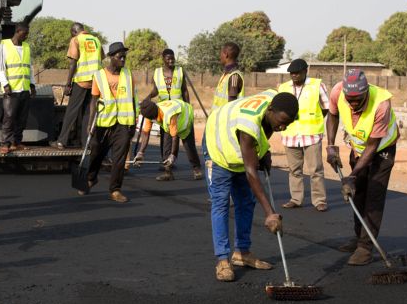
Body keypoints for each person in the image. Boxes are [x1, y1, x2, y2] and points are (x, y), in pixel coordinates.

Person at [205, 91, 296, 281]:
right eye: (282, 121)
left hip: (239, 149)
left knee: (246, 201)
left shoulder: (276, 100)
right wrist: (270, 213)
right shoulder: (247, 125)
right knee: (221, 203)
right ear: (271, 109)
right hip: (219, 148)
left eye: (288, 123)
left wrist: (264, 151)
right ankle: (222, 260)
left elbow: (264, 131)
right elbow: (251, 172)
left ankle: (242, 253)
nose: (283, 127)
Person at [325, 69, 400, 266]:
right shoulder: (337, 92)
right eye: (350, 99)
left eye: (358, 99)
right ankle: (359, 238)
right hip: (358, 149)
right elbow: (332, 116)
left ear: (366, 91)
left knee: (373, 197)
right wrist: (331, 147)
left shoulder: (381, 104)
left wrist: (353, 174)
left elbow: (373, 145)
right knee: (357, 194)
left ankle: (365, 248)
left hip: (381, 151)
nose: (353, 103)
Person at [79, 42, 138, 203]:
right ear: (111, 58)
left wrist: (134, 122)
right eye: (120, 57)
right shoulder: (99, 75)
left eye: (125, 56)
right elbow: (94, 101)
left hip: (124, 123)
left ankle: (115, 190)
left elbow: (134, 99)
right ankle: (91, 178)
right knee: (97, 153)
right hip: (104, 122)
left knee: (119, 159)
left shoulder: (128, 74)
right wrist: (90, 124)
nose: (123, 59)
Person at [275, 58, 330, 212]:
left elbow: (326, 107)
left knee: (315, 170)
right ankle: (296, 199)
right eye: (291, 73)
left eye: (297, 73)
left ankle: (319, 200)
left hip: (311, 135)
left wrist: (314, 118)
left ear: (305, 71)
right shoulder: (283, 87)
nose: (294, 76)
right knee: (294, 170)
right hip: (290, 135)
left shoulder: (317, 85)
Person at [51, 23, 102, 149]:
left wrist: (68, 83)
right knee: (87, 113)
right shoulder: (96, 40)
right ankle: (86, 143)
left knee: (71, 111)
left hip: (81, 80)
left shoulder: (76, 40)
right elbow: (100, 58)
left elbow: (73, 63)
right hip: (95, 81)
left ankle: (61, 141)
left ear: (74, 32)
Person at [138, 99, 202, 181]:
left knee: (188, 146)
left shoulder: (169, 115)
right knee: (166, 146)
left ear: (154, 116)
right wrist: (141, 152)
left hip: (185, 116)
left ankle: (196, 168)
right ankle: (168, 173)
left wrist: (173, 155)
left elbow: (174, 137)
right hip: (170, 122)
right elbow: (146, 133)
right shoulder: (149, 113)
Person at [0, 22, 36, 152]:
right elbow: (1, 67)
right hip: (12, 89)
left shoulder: (26, 46)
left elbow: (29, 67)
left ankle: (17, 142)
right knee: (9, 117)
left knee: (22, 119)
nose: (26, 37)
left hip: (24, 89)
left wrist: (32, 85)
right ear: (18, 32)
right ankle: (5, 144)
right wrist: (5, 84)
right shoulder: (5, 45)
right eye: (25, 34)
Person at [212, 42, 244, 111]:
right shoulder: (225, 74)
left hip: (225, 119)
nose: (220, 56)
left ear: (226, 54)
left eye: (221, 53)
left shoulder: (234, 76)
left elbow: (231, 103)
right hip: (217, 117)